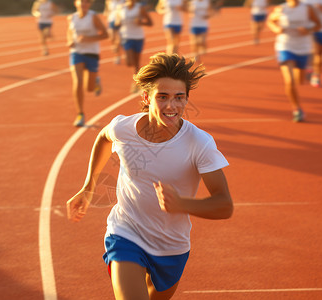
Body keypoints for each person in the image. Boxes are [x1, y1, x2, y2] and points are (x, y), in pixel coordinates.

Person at [66, 53, 233, 299]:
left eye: (179, 98)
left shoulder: (199, 143)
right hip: (125, 233)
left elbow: (224, 205)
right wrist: (88, 186)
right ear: (146, 97)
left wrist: (182, 204)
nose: (171, 106)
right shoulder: (124, 128)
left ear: (187, 99)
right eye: (162, 97)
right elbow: (103, 138)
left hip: (172, 245)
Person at [267, 0, 321, 122]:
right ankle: (297, 109)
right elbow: (270, 21)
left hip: (303, 48)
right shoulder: (280, 9)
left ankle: (307, 71)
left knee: (299, 80)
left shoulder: (307, 8)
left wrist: (307, 30)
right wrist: (276, 28)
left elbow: (318, 25)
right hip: (285, 47)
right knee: (289, 81)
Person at [67, 0, 109, 127]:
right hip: (76, 52)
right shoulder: (71, 17)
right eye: (82, 2)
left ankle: (96, 81)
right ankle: (80, 114)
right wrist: (69, 41)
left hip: (92, 53)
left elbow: (105, 34)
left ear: (89, 4)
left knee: (89, 88)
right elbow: (70, 32)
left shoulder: (93, 16)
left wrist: (88, 39)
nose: (84, 4)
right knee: (77, 82)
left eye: (86, 2)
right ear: (76, 3)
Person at [115, 0, 153, 93]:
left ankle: (136, 83)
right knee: (129, 62)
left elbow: (150, 22)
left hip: (138, 37)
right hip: (126, 37)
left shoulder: (139, 8)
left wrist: (141, 22)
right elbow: (117, 23)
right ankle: (137, 81)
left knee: (136, 63)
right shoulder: (121, 8)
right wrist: (118, 22)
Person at [301, 0, 322, 87]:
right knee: (312, 50)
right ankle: (310, 69)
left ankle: (316, 75)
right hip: (309, 28)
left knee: (319, 54)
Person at [105, 0, 126, 64]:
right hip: (111, 20)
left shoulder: (124, 1)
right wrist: (107, 18)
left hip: (120, 22)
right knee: (112, 39)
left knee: (119, 40)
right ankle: (118, 50)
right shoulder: (109, 1)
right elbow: (107, 10)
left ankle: (118, 56)